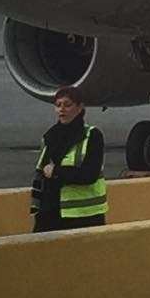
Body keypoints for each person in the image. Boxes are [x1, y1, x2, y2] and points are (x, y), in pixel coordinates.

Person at [30, 86, 107, 233]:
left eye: (67, 105)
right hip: (50, 212)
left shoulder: (92, 135)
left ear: (80, 108)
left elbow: (90, 174)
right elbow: (41, 174)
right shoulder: (50, 136)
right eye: (58, 105)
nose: (62, 110)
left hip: (84, 216)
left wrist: (57, 172)